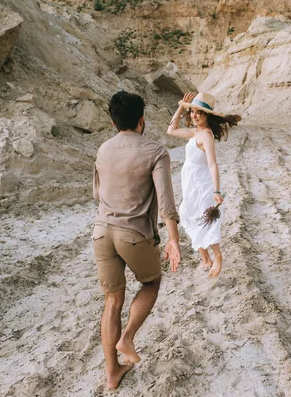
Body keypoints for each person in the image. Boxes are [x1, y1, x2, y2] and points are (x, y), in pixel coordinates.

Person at [92, 91, 181, 390]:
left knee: (112, 301)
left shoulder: (103, 150)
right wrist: (173, 240)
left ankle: (112, 375)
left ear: (113, 120)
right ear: (142, 120)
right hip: (133, 235)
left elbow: (97, 195)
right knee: (151, 282)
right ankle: (127, 337)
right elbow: (167, 202)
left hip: (101, 233)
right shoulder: (156, 151)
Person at [166, 92, 241, 278]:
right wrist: (182, 107)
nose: (195, 115)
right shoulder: (195, 132)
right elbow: (171, 130)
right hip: (191, 183)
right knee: (188, 216)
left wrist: (216, 190)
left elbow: (212, 163)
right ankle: (206, 259)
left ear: (208, 115)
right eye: (192, 111)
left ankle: (217, 256)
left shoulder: (205, 135)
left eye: (199, 112)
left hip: (202, 185)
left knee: (203, 220)